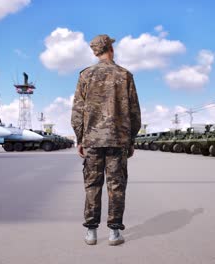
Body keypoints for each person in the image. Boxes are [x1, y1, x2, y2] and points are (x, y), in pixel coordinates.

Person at [71, 34, 141, 246]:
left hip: (92, 140)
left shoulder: (86, 75)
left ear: (95, 51)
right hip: (117, 141)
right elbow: (134, 112)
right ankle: (114, 233)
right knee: (116, 186)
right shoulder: (124, 75)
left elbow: (77, 110)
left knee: (92, 185)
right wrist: (130, 140)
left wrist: (80, 138)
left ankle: (91, 232)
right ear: (110, 48)